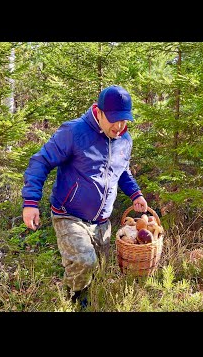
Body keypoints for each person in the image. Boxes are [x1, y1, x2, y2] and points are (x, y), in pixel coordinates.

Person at [21, 85, 148, 309]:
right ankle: (69, 302)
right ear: (98, 112)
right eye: (114, 119)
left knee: (98, 268)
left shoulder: (124, 139)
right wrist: (31, 202)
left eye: (124, 120)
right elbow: (41, 161)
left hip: (102, 221)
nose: (119, 126)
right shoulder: (74, 132)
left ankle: (85, 298)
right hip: (69, 215)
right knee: (84, 261)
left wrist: (135, 193)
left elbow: (122, 171)